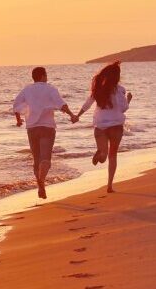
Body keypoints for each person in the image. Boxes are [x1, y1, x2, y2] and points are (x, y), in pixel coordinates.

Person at [12, 66, 78, 199]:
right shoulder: (50, 88)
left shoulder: (27, 89)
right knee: (46, 159)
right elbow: (61, 104)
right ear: (42, 76)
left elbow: (16, 105)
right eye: (46, 75)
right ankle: (42, 180)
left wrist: (19, 120)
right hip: (47, 127)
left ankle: (39, 185)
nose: (47, 77)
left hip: (32, 128)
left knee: (36, 159)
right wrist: (72, 115)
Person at [76, 61, 132, 193]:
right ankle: (109, 186)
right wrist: (129, 99)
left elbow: (87, 104)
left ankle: (100, 153)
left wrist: (77, 115)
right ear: (117, 77)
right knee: (113, 155)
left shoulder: (98, 89)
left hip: (100, 126)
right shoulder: (120, 90)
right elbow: (123, 108)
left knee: (104, 156)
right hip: (116, 126)